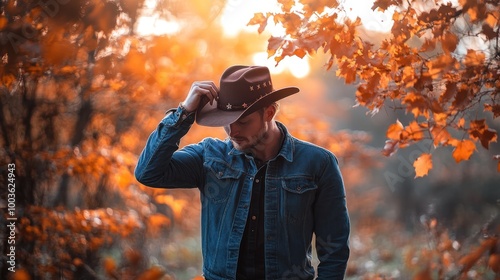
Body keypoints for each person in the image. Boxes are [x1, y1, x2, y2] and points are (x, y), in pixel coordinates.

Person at [135, 65, 350, 279]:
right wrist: (183, 113)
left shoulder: (318, 163)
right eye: (226, 122)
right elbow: (148, 172)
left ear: (269, 112)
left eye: (243, 121)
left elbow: (334, 249)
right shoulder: (210, 156)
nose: (233, 131)